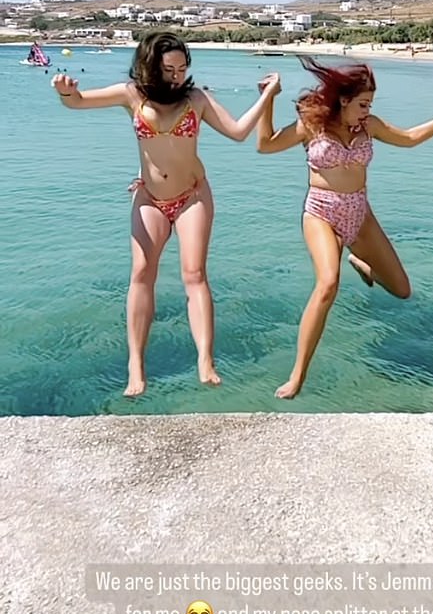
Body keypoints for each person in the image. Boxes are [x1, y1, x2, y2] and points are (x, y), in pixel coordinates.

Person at [52, 31, 280, 397]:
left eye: (181, 68)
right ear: (149, 67)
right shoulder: (131, 95)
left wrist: (267, 97)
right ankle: (136, 366)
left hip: (193, 195)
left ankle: (205, 359)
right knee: (141, 274)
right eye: (168, 69)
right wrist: (64, 89)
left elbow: (238, 132)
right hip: (149, 197)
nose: (176, 76)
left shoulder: (196, 98)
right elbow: (77, 102)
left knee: (195, 274)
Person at [257, 55, 433, 399]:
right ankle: (298, 375)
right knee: (327, 284)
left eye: (369, 104)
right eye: (362, 103)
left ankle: (360, 260)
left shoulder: (368, 126)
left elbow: (410, 138)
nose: (366, 110)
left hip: (359, 213)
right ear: (343, 100)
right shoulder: (312, 125)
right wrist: (267, 98)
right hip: (321, 212)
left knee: (402, 290)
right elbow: (265, 144)